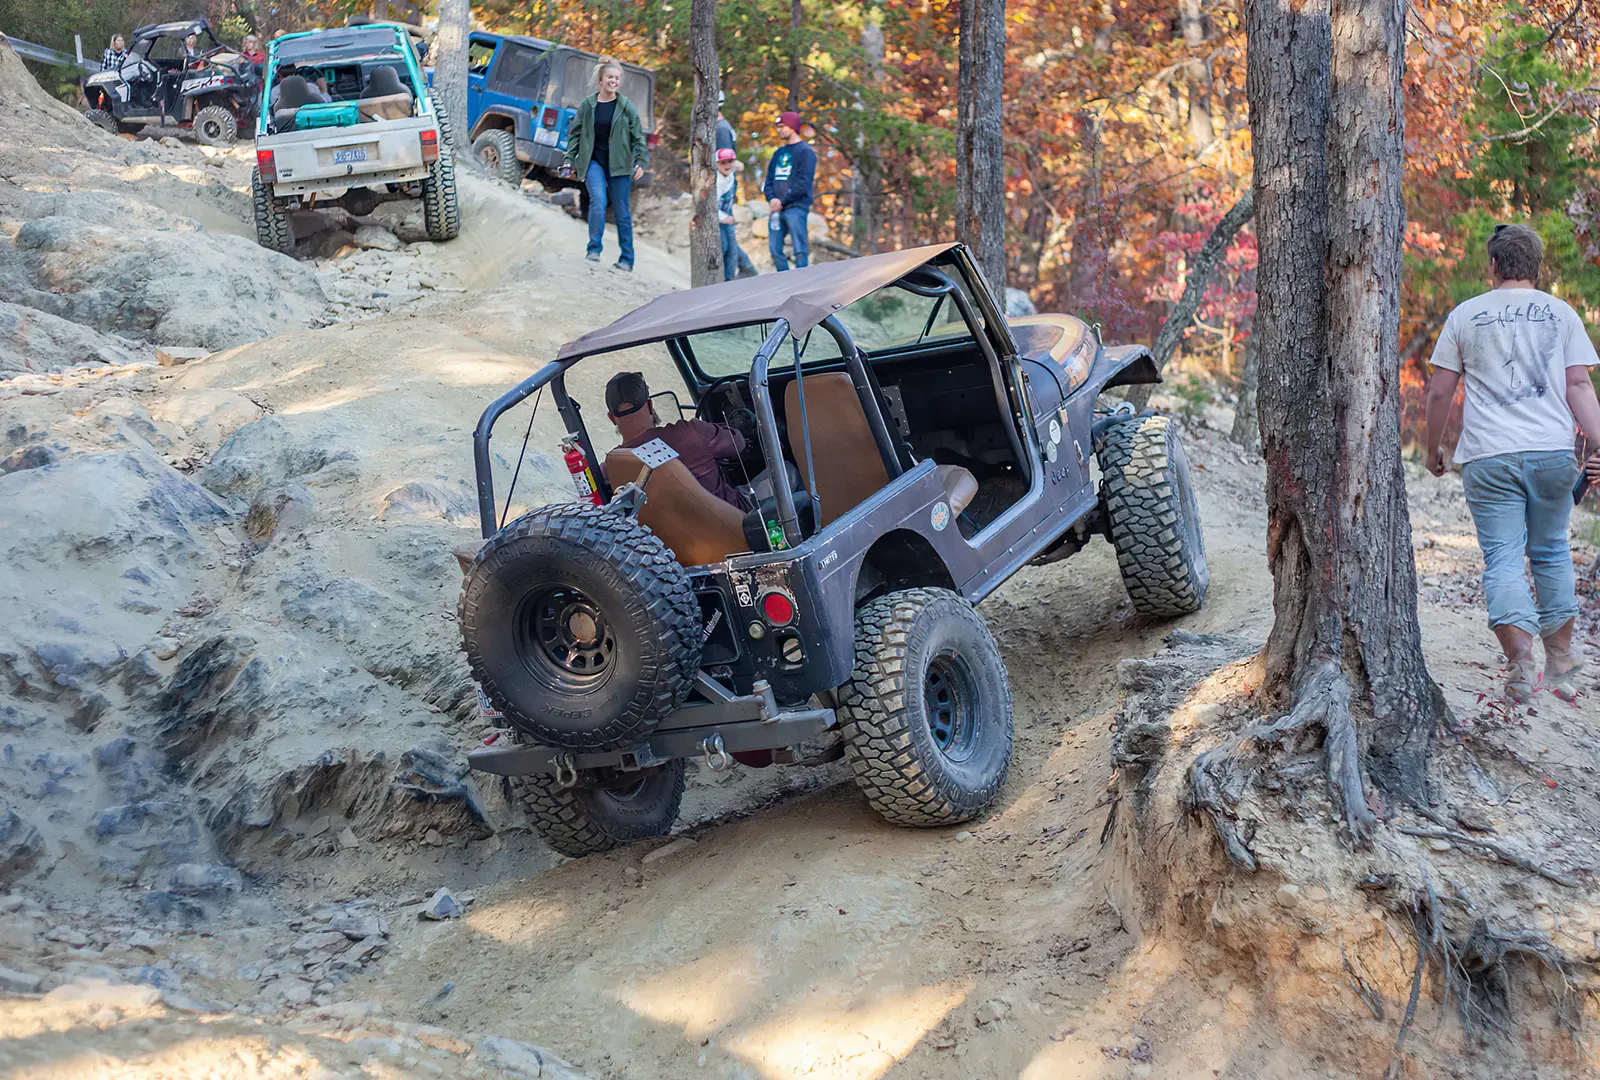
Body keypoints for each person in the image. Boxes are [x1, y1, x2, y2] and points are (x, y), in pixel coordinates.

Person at [1424, 223, 1600, 702]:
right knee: (1550, 550)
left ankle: (1522, 666)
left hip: (1489, 456)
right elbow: (1579, 387)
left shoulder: (1465, 315)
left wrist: (1431, 446)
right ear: (1537, 268)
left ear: (1495, 265)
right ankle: (1561, 656)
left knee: (1503, 556)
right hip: (1552, 453)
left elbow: (1440, 390)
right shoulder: (1561, 314)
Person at [605, 372, 748, 510]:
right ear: (650, 406)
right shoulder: (690, 432)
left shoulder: (612, 466)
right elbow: (738, 443)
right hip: (737, 523)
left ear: (611, 418)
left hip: (668, 535)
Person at [561, 58, 648, 272]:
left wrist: (641, 160)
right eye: (610, 77)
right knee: (598, 201)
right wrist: (569, 159)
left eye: (617, 78)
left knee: (621, 212)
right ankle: (593, 250)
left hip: (619, 165)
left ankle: (627, 259)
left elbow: (638, 136)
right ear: (601, 80)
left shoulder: (626, 106)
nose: (614, 81)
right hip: (594, 161)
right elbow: (575, 135)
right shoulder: (588, 105)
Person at [762, 110, 816, 271]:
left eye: (782, 126)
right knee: (774, 249)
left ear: (792, 127)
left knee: (799, 249)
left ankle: (801, 284)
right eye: (777, 127)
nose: (779, 130)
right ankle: (785, 284)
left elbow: (803, 183)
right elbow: (769, 180)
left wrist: (782, 201)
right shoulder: (779, 153)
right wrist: (772, 199)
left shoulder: (806, 152)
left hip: (796, 208)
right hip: (776, 209)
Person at [716, 148, 752, 283]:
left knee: (732, 251)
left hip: (727, 216)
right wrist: (723, 217)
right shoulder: (717, 181)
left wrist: (737, 164)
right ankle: (721, 280)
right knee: (723, 247)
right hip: (720, 218)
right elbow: (711, 205)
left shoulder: (730, 173)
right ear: (716, 164)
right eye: (722, 163)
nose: (727, 165)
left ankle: (729, 279)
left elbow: (738, 166)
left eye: (729, 162)